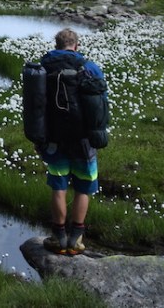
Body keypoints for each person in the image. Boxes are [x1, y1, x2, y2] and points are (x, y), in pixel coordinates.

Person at [29, 27, 109, 255]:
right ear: (77, 45)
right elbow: (102, 103)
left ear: (56, 45)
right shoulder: (90, 68)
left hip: (54, 140)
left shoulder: (43, 68)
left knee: (58, 186)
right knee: (83, 188)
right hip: (84, 141)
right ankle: (76, 240)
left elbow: (36, 106)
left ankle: (58, 237)